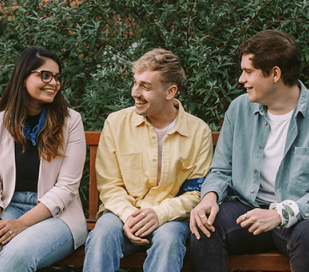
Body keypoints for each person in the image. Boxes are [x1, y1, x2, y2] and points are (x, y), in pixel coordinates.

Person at [189, 30, 309, 272]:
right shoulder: (238, 110)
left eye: (248, 71)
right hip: (248, 207)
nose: (240, 80)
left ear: (275, 73)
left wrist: (280, 214)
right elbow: (221, 169)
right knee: (205, 227)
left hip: (303, 215)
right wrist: (209, 197)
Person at [0, 47, 88, 272]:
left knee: (16, 256)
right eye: (45, 75)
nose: (54, 82)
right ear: (23, 77)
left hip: (58, 216)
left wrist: (21, 224)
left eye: (57, 77)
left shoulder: (70, 121)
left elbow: (67, 187)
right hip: (8, 208)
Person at [83, 48, 213, 272]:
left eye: (145, 86)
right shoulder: (116, 124)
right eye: (135, 83)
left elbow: (196, 193)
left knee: (169, 241)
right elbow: (109, 185)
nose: (135, 92)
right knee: (102, 234)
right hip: (123, 213)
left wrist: (160, 214)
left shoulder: (198, 131)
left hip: (171, 219)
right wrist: (129, 216)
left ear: (170, 91)